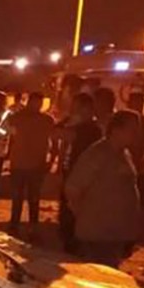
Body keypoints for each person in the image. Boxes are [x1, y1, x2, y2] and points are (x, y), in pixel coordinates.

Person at [64, 110, 142, 268]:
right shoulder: (97, 154)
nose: (136, 134)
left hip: (116, 233)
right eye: (131, 129)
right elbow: (73, 189)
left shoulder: (124, 154)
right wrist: (87, 217)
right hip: (98, 235)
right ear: (116, 130)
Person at [57, 92, 103, 253]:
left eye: (75, 106)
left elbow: (59, 133)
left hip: (82, 180)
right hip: (72, 176)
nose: (72, 109)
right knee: (67, 215)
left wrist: (68, 121)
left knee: (74, 215)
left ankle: (75, 248)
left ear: (85, 108)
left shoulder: (92, 129)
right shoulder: (81, 127)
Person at [7, 92, 54, 237]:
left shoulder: (47, 120)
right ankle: (15, 224)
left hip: (36, 165)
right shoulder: (17, 117)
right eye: (35, 103)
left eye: (39, 103)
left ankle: (32, 226)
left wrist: (51, 160)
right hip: (20, 164)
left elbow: (55, 140)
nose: (37, 106)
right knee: (18, 197)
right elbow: (9, 134)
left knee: (33, 198)